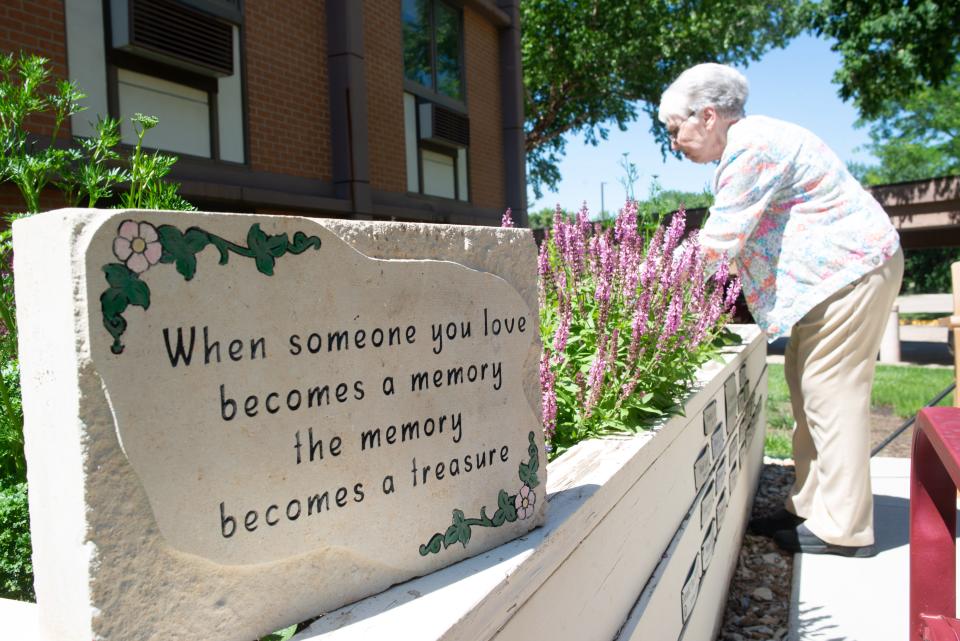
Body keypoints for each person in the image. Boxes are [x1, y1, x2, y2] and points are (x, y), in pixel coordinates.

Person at [658, 63, 903, 558]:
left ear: (707, 116)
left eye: (674, 128)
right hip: (834, 281)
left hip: (849, 273)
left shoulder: (751, 145)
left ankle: (844, 528)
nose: (673, 141)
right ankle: (811, 504)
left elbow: (720, 241)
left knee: (831, 392)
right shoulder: (753, 141)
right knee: (806, 384)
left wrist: (645, 284)